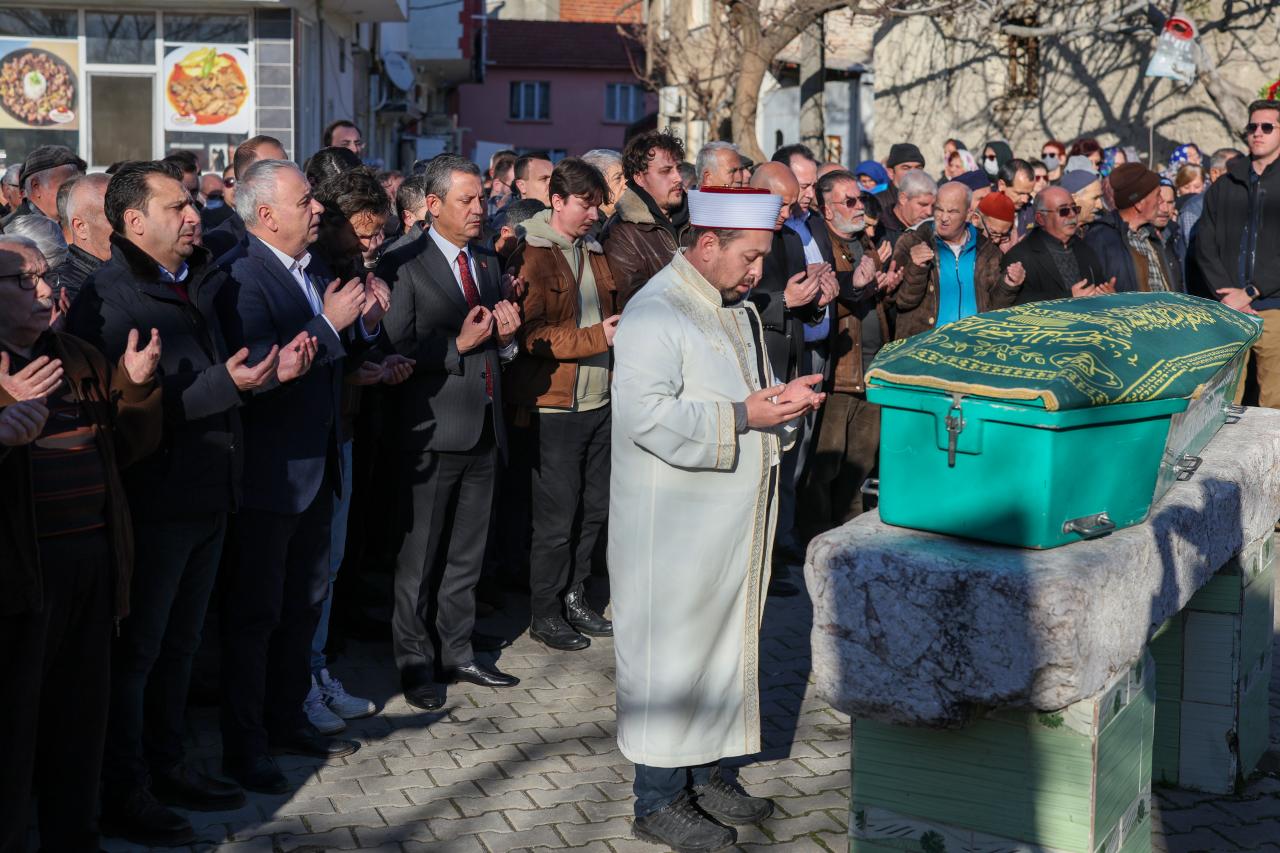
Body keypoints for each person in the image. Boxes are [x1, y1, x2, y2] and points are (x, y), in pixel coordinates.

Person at [65, 160, 281, 844]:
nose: (194, 215)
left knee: (182, 646)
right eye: (177, 206)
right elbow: (124, 412)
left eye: (192, 203)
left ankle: (169, 763)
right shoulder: (110, 297)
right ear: (133, 222)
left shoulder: (192, 278)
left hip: (209, 491)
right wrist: (228, 385)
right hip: (154, 505)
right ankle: (125, 789)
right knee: (140, 656)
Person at [608, 186, 824, 852]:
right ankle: (656, 797)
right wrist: (743, 417)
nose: (759, 272)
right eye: (750, 256)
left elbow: (749, 396)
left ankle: (705, 773)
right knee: (673, 658)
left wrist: (779, 406)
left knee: (724, 649)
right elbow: (646, 417)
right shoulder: (656, 311)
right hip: (670, 529)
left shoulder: (734, 311)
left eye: (762, 256)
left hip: (728, 520)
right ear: (707, 244)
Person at [216, 158, 387, 793]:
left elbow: (340, 355)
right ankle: (246, 743)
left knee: (302, 606)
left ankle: (288, 717)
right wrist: (329, 324)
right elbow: (262, 369)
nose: (319, 209)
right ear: (267, 215)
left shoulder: (314, 269)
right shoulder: (242, 276)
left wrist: (364, 322)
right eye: (306, 200)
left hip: (319, 466)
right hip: (271, 474)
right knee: (256, 614)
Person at [0, 233, 162, 853]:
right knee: (14, 731)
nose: (47, 290)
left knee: (79, 719)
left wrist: (137, 386)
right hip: (19, 579)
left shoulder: (77, 356)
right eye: (25, 281)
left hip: (91, 564)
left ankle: (75, 836)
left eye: (45, 277)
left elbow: (122, 450)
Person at [379, 154, 523, 712]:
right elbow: (392, 352)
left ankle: (457, 650)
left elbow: (493, 344)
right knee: (419, 558)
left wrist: (507, 341)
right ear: (432, 206)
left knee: (468, 552)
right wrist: (455, 347)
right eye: (466, 200)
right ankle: (414, 662)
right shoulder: (403, 263)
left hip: (484, 423)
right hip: (431, 430)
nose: (479, 209)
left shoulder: (485, 261)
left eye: (482, 198)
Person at [304, 168, 412, 736]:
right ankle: (301, 680)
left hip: (341, 434)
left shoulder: (348, 268)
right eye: (363, 235)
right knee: (308, 571)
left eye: (378, 235)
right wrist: (352, 362)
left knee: (332, 563)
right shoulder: (312, 270)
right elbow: (298, 360)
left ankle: (317, 669)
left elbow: (343, 354)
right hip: (305, 443)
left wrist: (370, 339)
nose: (372, 246)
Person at [503, 158, 617, 652]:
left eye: (598, 205)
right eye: (585, 205)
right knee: (555, 517)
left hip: (601, 399)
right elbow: (531, 336)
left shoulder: (592, 249)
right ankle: (544, 613)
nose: (594, 214)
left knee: (593, 510)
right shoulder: (530, 253)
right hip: (554, 406)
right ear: (557, 201)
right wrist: (598, 336)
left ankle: (575, 597)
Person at [746, 161, 833, 596]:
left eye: (790, 203)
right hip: (758, 365)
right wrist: (784, 299)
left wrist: (819, 301)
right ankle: (755, 562)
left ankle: (777, 555)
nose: (786, 211)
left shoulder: (793, 239)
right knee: (760, 469)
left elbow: (803, 305)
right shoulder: (738, 238)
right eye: (779, 203)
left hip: (792, 361)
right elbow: (734, 304)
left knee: (785, 468)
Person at [802, 170, 901, 533]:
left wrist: (884, 287)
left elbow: (868, 296)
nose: (860, 207)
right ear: (827, 210)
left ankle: (851, 535)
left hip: (872, 369)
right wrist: (859, 285)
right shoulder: (820, 244)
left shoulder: (865, 242)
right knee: (826, 463)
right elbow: (830, 298)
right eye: (849, 201)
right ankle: (817, 534)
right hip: (841, 369)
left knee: (859, 462)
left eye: (859, 199)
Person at [1195, 98, 1280, 405]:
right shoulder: (1225, 185)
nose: (1258, 133)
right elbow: (1205, 244)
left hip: (1274, 306)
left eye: (1267, 127)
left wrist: (1252, 290)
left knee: (1274, 403)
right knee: (1222, 401)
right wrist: (1229, 296)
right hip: (1228, 306)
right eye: (1252, 126)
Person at [891, 181, 1023, 339]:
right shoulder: (912, 241)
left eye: (952, 212)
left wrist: (1008, 285)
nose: (944, 218)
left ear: (968, 214)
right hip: (926, 348)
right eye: (939, 209)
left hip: (973, 347)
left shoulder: (988, 251)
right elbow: (903, 302)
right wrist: (917, 268)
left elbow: (995, 311)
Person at [602, 130, 689, 305]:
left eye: (679, 169)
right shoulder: (621, 231)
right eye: (666, 171)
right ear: (639, 177)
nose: (678, 178)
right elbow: (636, 301)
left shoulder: (699, 219)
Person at [1004, 186, 1111, 305]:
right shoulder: (1020, 256)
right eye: (1063, 211)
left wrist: (1109, 296)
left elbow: (1099, 286)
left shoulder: (1084, 247)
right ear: (1040, 219)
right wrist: (1067, 298)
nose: (1071, 215)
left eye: (1075, 209)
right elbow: (1016, 304)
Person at [1083, 163, 1178, 293]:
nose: (1161, 202)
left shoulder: (1151, 235)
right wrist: (1114, 302)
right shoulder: (1101, 238)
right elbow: (1094, 292)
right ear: (1139, 204)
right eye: (1157, 195)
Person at [203, 135, 288, 260]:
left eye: (288, 166)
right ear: (247, 180)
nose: (290, 175)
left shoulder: (301, 229)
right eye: (275, 169)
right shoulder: (218, 244)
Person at [55, 172, 112, 300]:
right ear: (81, 227)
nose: (129, 225)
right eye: (114, 217)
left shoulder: (134, 271)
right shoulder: (66, 292)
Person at [2, 145, 85, 228]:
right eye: (66, 186)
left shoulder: (77, 223)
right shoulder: (9, 232)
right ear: (36, 187)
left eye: (77, 186)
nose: (75, 193)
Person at [879, 169, 936, 248]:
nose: (929, 212)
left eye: (933, 206)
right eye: (923, 204)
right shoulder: (879, 231)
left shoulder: (934, 230)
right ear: (903, 199)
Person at [996, 158, 1036, 236]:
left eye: (1028, 194)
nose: (1025, 200)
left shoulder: (1031, 210)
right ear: (1002, 185)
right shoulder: (985, 213)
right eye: (1020, 193)